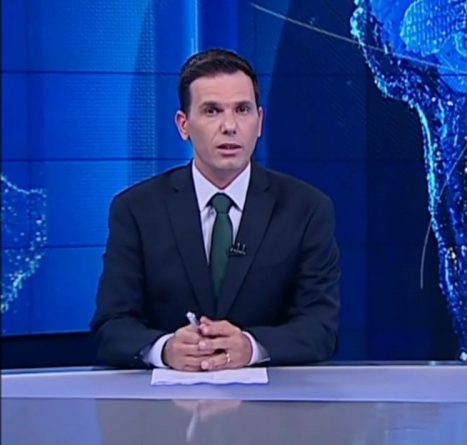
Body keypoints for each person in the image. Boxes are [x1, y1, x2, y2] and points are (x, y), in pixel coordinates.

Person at [90, 49, 340, 370]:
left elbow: (320, 328)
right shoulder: (136, 210)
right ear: (183, 125)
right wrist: (164, 350)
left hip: (272, 398)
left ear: (259, 121)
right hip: (167, 400)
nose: (230, 126)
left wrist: (251, 347)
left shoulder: (306, 209)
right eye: (211, 111)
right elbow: (111, 326)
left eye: (242, 110)